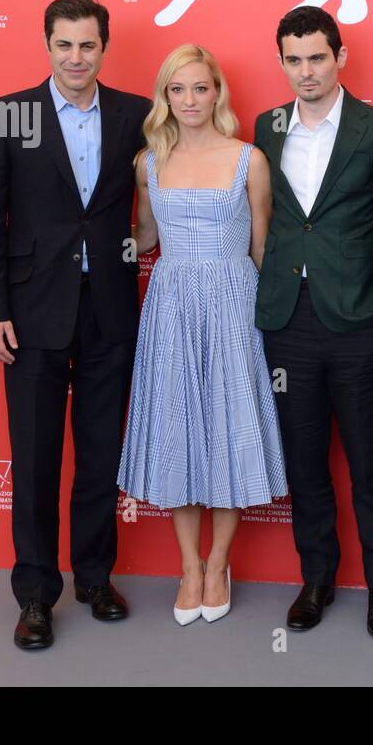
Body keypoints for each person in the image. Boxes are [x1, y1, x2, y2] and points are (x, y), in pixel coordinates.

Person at [0, 0, 150, 650]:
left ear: (105, 47)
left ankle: (96, 577)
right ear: (47, 44)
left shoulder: (137, 115)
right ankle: (37, 595)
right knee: (37, 461)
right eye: (65, 44)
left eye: (89, 45)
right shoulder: (9, 114)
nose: (77, 57)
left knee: (101, 457)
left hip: (109, 312)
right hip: (31, 314)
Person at [116, 44, 287, 626]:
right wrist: (81, 248)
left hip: (234, 305)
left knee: (228, 427)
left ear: (218, 93)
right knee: (178, 430)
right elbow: (142, 238)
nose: (189, 100)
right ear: (165, 96)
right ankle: (188, 567)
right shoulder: (147, 163)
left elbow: (262, 248)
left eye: (199, 88)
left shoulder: (250, 159)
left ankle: (219, 565)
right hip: (170, 305)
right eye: (177, 89)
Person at [254, 6, 373, 637]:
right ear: (282, 62)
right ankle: (315, 578)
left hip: (358, 315)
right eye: (294, 59)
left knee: (369, 458)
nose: (307, 71)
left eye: (318, 57)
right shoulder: (267, 126)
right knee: (304, 457)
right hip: (288, 318)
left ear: (339, 57)